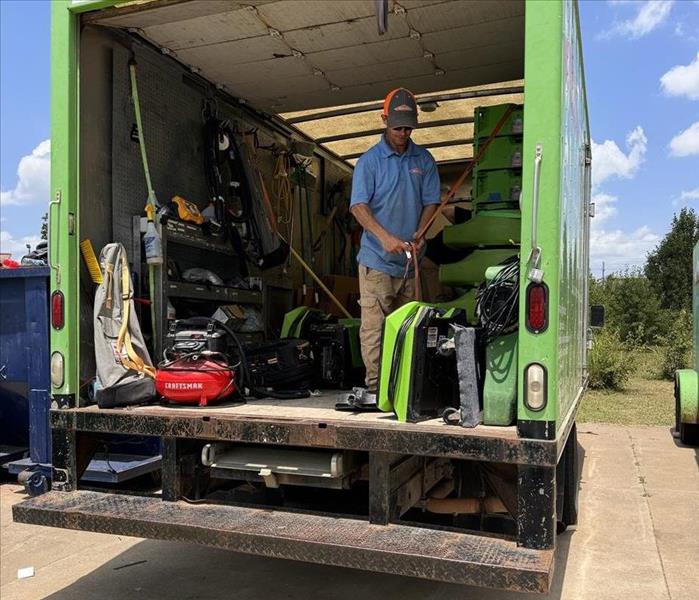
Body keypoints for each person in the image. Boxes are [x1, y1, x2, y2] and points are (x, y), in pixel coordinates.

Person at [348, 88, 441, 405]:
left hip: (410, 262)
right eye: (398, 127)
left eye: (408, 128)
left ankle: (404, 388)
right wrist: (384, 237)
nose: (403, 134)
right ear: (384, 120)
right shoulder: (369, 162)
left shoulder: (424, 160)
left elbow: (431, 201)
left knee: (409, 328)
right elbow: (359, 207)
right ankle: (375, 389)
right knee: (374, 329)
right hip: (376, 261)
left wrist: (422, 230)